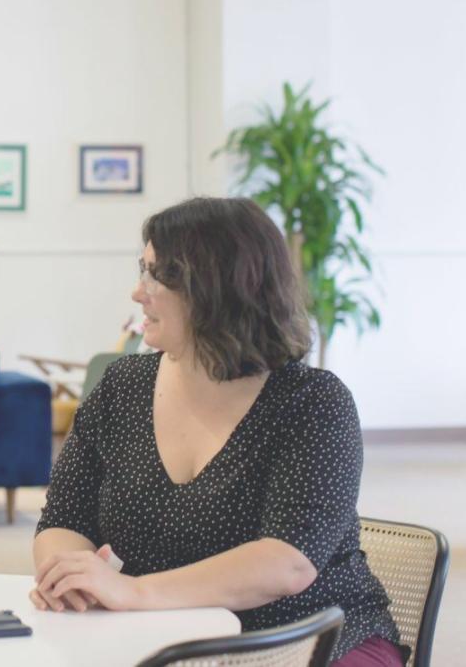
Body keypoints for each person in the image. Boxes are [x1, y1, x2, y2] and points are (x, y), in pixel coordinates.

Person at [30, 198, 404, 667]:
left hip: (307, 640)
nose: (137, 292)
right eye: (141, 271)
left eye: (156, 276)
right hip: (158, 637)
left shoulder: (312, 401)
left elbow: (288, 562)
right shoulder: (122, 387)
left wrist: (132, 591)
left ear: (216, 290)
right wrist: (71, 576)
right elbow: (63, 518)